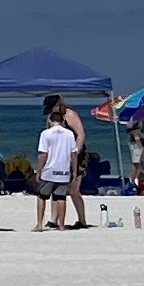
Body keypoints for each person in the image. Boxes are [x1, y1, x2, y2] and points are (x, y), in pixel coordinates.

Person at [35, 95, 84, 229]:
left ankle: (82, 219)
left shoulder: (70, 115)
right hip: (59, 156)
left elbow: (80, 134)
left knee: (73, 189)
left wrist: (74, 154)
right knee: (55, 187)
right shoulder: (51, 117)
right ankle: (54, 219)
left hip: (73, 152)